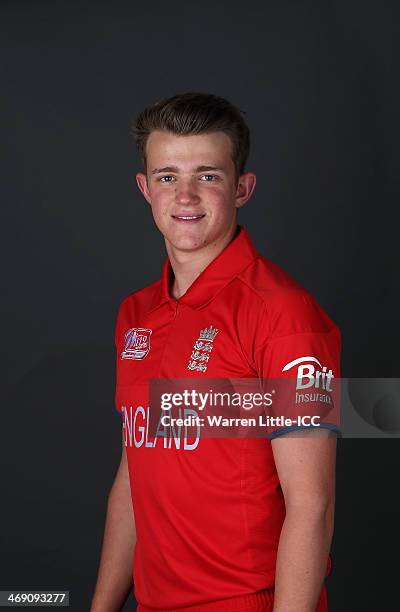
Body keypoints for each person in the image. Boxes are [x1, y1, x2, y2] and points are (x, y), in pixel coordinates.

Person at [91, 92, 341, 612]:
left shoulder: (285, 314)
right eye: (167, 177)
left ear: (242, 188)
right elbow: (135, 475)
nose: (185, 196)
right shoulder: (134, 313)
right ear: (145, 189)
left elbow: (311, 506)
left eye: (208, 175)